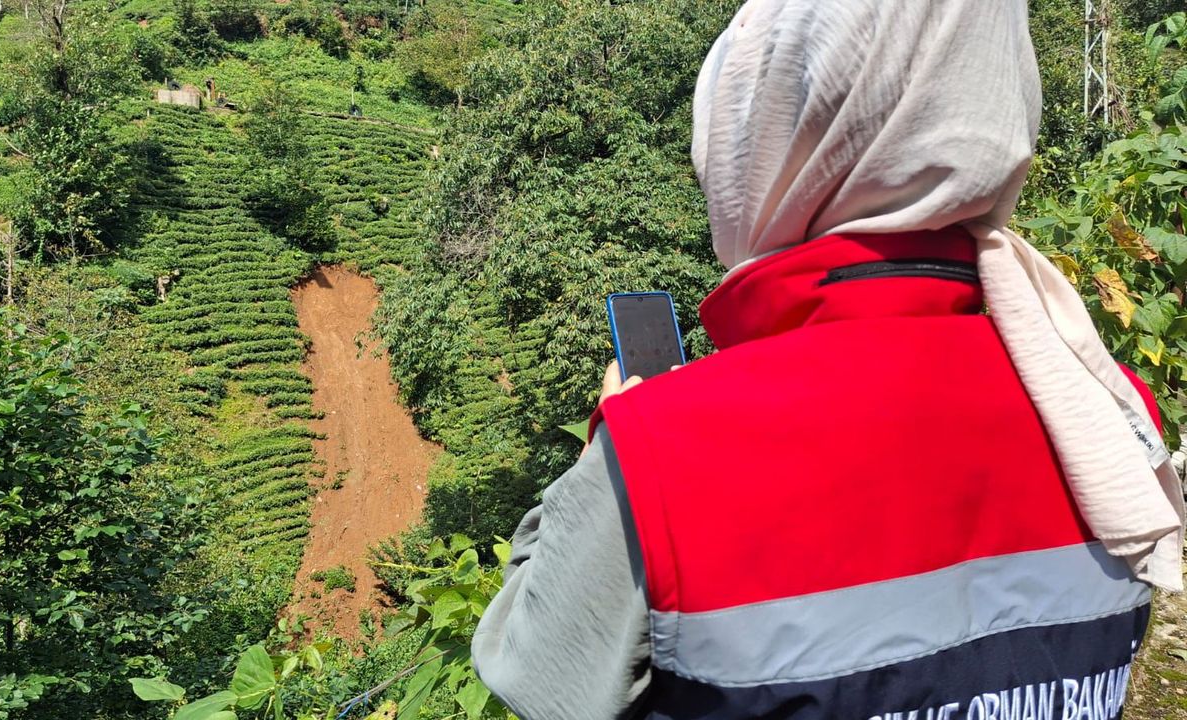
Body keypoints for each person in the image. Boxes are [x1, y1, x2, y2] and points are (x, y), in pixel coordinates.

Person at [470, 1, 1185, 719]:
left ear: (769, 138)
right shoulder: (1109, 419)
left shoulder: (666, 452)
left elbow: (537, 671)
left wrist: (618, 444)